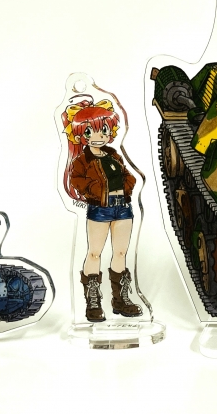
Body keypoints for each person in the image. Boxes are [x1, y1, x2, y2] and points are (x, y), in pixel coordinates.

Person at [62, 98, 143, 322]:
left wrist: (126, 187)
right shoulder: (82, 160)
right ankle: (93, 301)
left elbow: (128, 175)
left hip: (123, 208)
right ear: (81, 134)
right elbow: (76, 181)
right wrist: (95, 191)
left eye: (104, 129)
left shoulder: (113, 155)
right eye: (91, 131)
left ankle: (121, 300)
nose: (99, 135)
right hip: (100, 209)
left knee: (121, 253)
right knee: (94, 253)